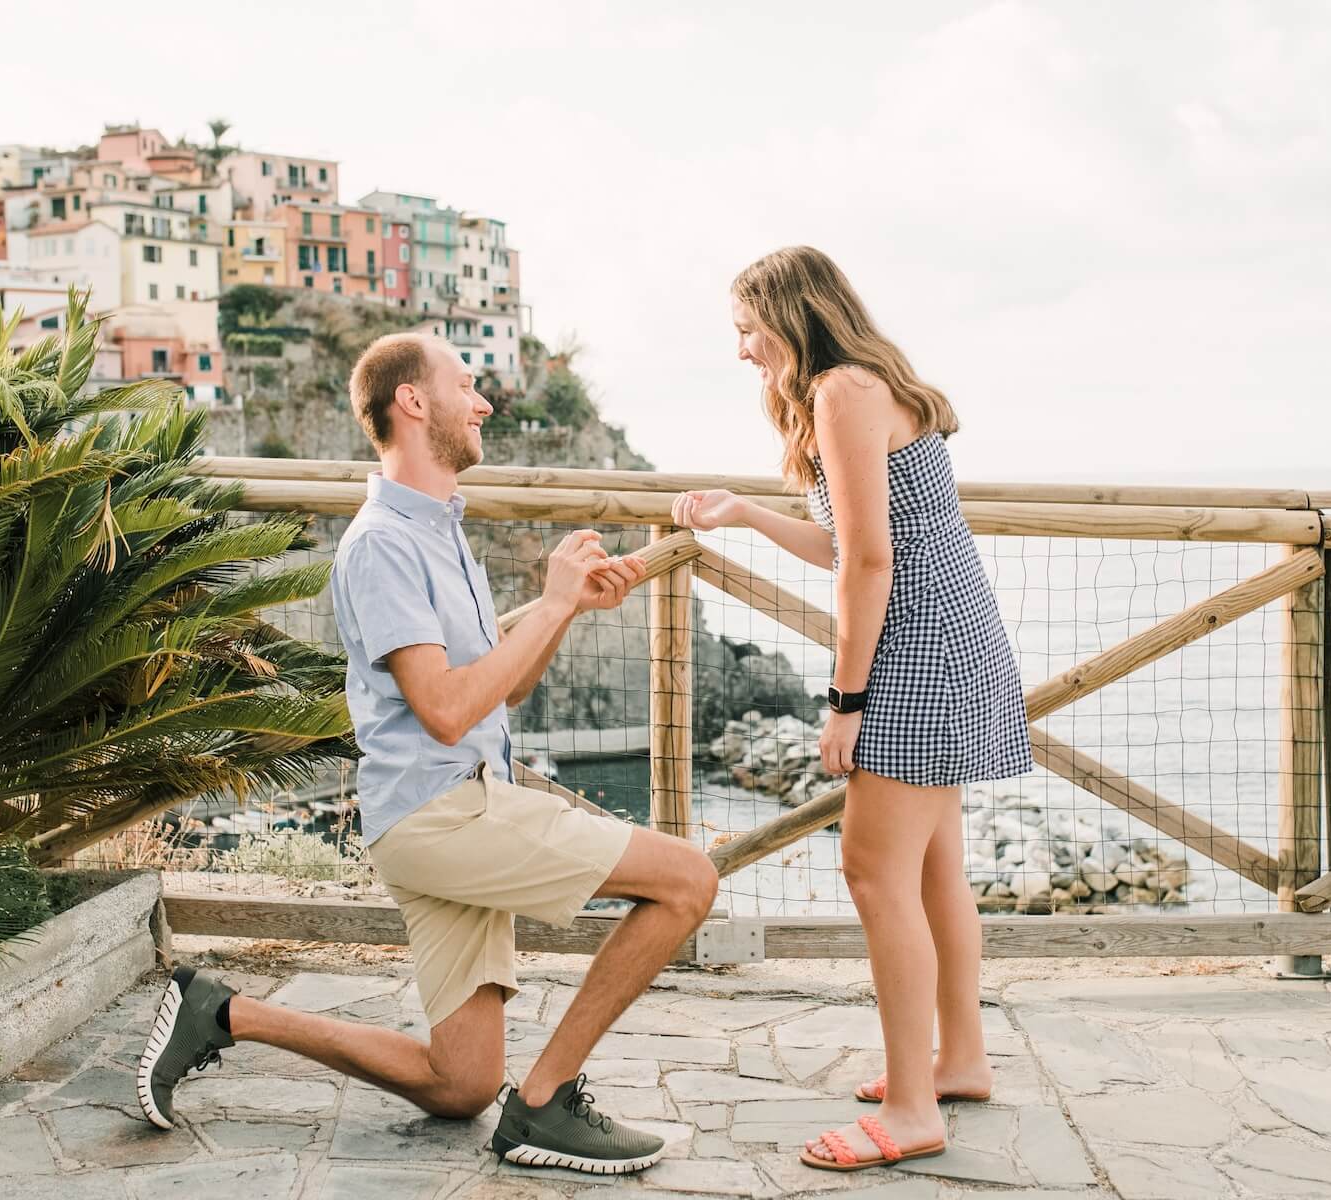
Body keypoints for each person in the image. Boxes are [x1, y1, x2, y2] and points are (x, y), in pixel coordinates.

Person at [137, 331, 719, 1177]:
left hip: (451, 808)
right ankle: (546, 1102)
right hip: (443, 814)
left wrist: (564, 610)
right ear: (413, 401)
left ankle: (220, 1012)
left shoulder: (443, 532)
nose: (484, 403)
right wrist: (550, 601)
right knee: (689, 880)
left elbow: (498, 693)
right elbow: (445, 713)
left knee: (460, 1083)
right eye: (466, 385)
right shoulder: (382, 544)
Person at [671, 247, 1033, 1174]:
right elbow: (849, 539)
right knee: (935, 868)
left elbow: (869, 564)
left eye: (748, 330)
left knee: (873, 874)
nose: (742, 350)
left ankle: (913, 1109)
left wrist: (845, 701)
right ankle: (960, 1060)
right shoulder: (864, 386)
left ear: (791, 315)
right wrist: (745, 514)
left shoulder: (840, 392)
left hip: (917, 649)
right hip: (953, 635)